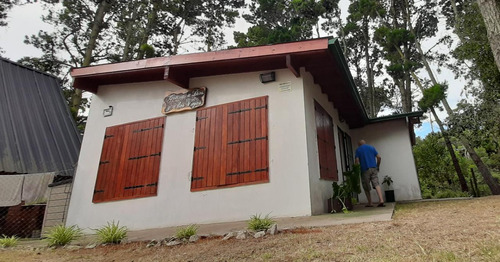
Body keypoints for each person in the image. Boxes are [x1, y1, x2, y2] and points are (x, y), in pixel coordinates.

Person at [354, 140, 385, 207]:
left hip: (364, 170)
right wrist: (377, 166)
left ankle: (370, 202)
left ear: (359, 145)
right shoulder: (371, 147)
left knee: (366, 186)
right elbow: (379, 157)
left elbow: (356, 161)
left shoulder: (358, 150)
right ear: (365, 143)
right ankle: (381, 200)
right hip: (374, 168)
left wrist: (356, 170)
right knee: (376, 183)